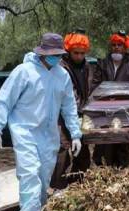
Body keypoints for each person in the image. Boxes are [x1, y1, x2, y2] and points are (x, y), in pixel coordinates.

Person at [0, 33, 82, 211]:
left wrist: (75, 134)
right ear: (41, 52)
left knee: (43, 179)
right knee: (30, 174)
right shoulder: (24, 72)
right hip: (25, 131)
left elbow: (69, 107)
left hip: (49, 136)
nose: (55, 58)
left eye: (58, 54)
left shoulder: (62, 75)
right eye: (51, 54)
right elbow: (4, 101)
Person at [92, 30, 129, 168]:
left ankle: (120, 179)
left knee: (122, 147)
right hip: (104, 114)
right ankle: (103, 178)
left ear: (125, 47)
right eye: (114, 45)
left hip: (125, 114)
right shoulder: (103, 64)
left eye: (120, 45)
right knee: (103, 147)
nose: (116, 47)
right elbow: (95, 85)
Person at [50, 30, 92, 190]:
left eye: (82, 53)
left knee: (83, 156)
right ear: (68, 51)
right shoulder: (61, 68)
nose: (79, 56)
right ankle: (56, 188)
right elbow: (69, 98)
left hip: (78, 117)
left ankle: (76, 188)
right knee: (62, 154)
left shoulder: (86, 67)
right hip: (60, 117)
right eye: (76, 53)